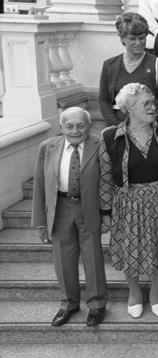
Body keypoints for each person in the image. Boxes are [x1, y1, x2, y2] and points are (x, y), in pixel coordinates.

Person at [100, 83, 158, 319]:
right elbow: (104, 175)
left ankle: (155, 291)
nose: (153, 107)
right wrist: (105, 210)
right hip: (127, 200)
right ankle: (134, 291)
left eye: (153, 102)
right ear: (129, 109)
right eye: (146, 104)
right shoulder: (111, 135)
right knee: (129, 246)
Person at [32, 107, 108, 327]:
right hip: (60, 207)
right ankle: (69, 304)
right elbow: (39, 185)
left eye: (80, 125)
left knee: (93, 257)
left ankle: (96, 305)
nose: (75, 130)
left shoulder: (99, 145)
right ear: (61, 127)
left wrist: (106, 213)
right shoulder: (47, 147)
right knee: (63, 260)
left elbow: (106, 183)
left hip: (88, 207)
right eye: (69, 126)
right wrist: (39, 222)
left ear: (89, 126)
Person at [99, 12, 158, 126]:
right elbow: (104, 100)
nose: (138, 42)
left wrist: (145, 125)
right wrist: (116, 126)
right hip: (118, 130)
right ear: (122, 39)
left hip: (148, 129)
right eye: (132, 38)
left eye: (142, 38)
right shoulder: (109, 65)